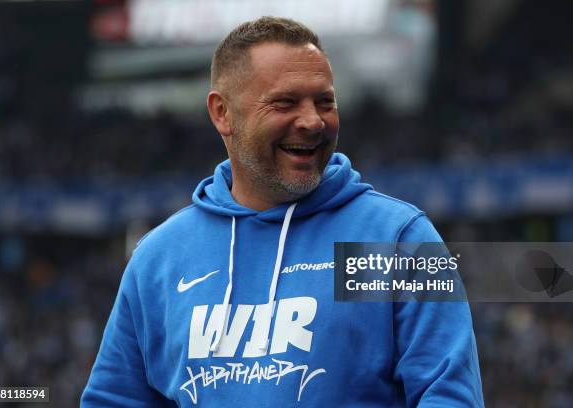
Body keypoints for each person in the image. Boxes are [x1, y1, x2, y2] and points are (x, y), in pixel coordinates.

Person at [81, 16, 484, 407]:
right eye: (285, 102)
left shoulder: (398, 241)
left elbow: (448, 395)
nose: (312, 122)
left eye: (324, 101)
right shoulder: (159, 259)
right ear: (222, 113)